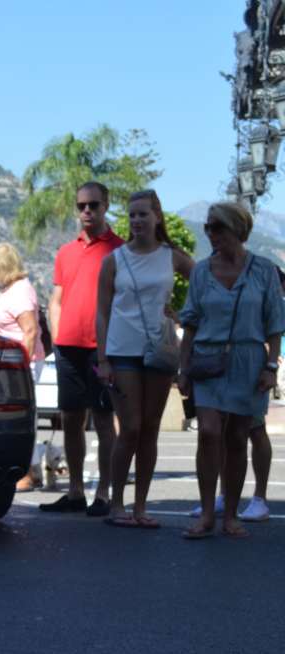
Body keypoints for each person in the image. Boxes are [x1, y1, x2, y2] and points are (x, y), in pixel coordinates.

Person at [178, 202, 285, 539]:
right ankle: (208, 512)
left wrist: (271, 367)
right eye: (208, 228)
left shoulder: (264, 270)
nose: (210, 234)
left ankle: (231, 515)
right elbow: (190, 323)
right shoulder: (201, 271)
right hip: (208, 360)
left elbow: (274, 325)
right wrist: (183, 368)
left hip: (248, 361)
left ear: (238, 229)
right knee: (209, 432)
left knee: (238, 437)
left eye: (217, 228)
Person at [95, 190, 193, 528]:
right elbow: (102, 312)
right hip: (122, 351)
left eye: (143, 214)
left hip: (160, 350)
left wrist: (182, 315)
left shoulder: (173, 256)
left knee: (150, 429)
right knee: (131, 427)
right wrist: (102, 358)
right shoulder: (114, 260)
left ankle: (140, 507)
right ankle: (117, 504)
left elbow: (203, 289)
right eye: (132, 215)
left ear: (157, 217)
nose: (137, 221)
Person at [40, 181, 122, 516]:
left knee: (104, 421)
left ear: (106, 206)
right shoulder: (65, 252)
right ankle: (75, 492)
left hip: (103, 350)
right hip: (68, 350)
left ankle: (103, 493)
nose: (86, 211)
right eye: (81, 206)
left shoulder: (119, 250)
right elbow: (55, 301)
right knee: (71, 419)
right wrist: (58, 340)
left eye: (93, 205)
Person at [0, 242, 45, 490]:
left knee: (20, 419)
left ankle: (26, 473)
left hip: (19, 366)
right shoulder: (13, 290)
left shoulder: (19, 292)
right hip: (12, 365)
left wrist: (21, 369)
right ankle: (28, 471)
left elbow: (29, 332)